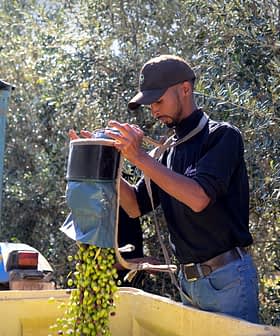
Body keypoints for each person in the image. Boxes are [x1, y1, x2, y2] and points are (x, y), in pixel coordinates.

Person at [104, 54, 259, 323]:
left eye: (159, 100)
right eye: (150, 103)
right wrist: (104, 163)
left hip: (228, 280)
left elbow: (197, 197)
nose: (153, 109)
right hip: (188, 283)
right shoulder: (167, 152)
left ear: (185, 89)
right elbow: (134, 206)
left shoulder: (223, 136)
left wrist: (139, 157)